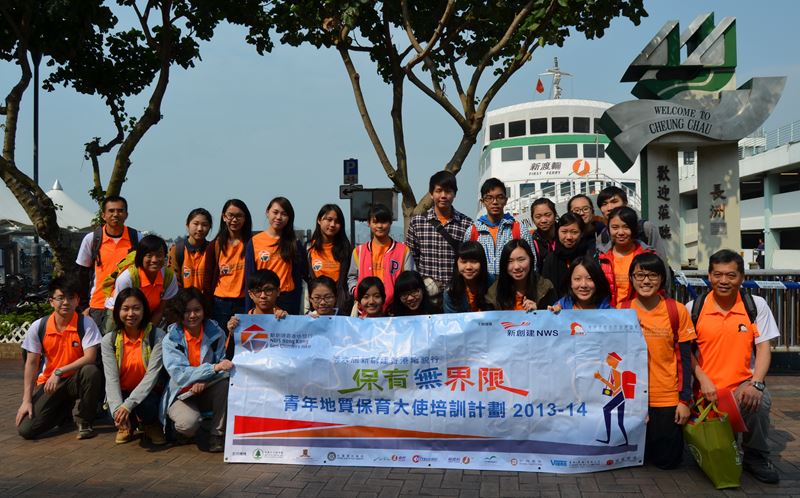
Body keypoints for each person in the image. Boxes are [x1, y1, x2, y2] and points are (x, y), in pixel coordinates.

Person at [688, 250, 780, 484]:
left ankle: (755, 456)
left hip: (741, 386)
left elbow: (763, 348)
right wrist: (703, 379)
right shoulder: (693, 308)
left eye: (731, 275)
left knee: (759, 399)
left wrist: (756, 383)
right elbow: (685, 352)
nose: (724, 281)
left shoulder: (755, 306)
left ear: (741, 277)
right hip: (705, 391)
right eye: (718, 275)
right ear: (709, 276)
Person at [621, 253, 694, 469]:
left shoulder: (676, 310)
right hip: (632, 398)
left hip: (666, 398)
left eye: (652, 275)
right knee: (635, 460)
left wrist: (684, 401)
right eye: (640, 275)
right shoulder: (622, 311)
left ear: (661, 279)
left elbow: (685, 361)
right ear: (632, 278)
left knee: (667, 462)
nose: (645, 281)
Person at [16, 276, 104, 440]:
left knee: (91, 371)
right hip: (50, 385)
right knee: (26, 430)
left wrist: (59, 371)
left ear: (77, 300)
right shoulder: (39, 327)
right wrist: (26, 400)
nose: (65, 302)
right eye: (60, 298)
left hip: (76, 378)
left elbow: (90, 357)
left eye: (71, 298)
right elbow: (32, 363)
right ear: (51, 301)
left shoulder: (86, 323)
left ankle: (84, 420)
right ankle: (63, 411)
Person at [161, 289, 233, 453]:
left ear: (204, 311)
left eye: (197, 310)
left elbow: (224, 365)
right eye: (186, 311)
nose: (192, 315)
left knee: (225, 384)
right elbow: (180, 375)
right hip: (180, 394)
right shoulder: (170, 339)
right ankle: (182, 430)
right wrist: (211, 369)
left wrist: (205, 379)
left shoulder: (217, 333)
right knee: (188, 424)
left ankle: (217, 435)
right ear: (179, 313)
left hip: (207, 388)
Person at [102, 288, 167, 445]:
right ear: (117, 311)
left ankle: (151, 424)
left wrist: (128, 406)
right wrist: (118, 410)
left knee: (146, 405)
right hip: (123, 392)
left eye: (136, 308)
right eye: (125, 308)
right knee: (112, 412)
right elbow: (111, 379)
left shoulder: (157, 336)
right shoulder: (109, 340)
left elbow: (152, 376)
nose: (131, 313)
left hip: (149, 393)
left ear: (144, 310)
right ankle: (126, 425)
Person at [75, 195, 139, 329]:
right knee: (98, 348)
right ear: (103, 215)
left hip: (127, 306)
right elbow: (81, 275)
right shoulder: (92, 239)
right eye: (111, 211)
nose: (116, 214)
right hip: (98, 305)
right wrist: (84, 307)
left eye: (120, 211)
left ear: (126, 214)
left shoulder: (136, 238)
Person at [406, 170, 473, 292]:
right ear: (431, 194)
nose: (443, 195)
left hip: (456, 293)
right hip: (426, 293)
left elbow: (470, 259)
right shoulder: (418, 222)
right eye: (438, 191)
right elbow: (412, 259)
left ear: (454, 194)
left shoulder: (466, 224)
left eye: (448, 191)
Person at [466, 178, 536, 282]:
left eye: (499, 197)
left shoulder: (518, 229)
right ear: (482, 201)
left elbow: (532, 263)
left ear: (506, 200)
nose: (494, 202)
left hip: (511, 289)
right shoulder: (473, 231)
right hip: (482, 290)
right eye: (489, 198)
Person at [245, 197, 307, 315]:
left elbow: (299, 276)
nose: (279, 217)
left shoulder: (295, 243)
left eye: (284, 214)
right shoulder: (254, 242)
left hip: (287, 299)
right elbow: (249, 276)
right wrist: (249, 308)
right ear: (267, 212)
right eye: (275, 212)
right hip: (262, 298)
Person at [347, 203, 414, 311]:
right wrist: (357, 292)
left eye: (383, 222)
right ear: (369, 223)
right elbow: (351, 277)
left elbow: (409, 280)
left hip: (394, 311)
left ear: (390, 222)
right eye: (375, 222)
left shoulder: (403, 251)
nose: (379, 226)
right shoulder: (359, 251)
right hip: (365, 311)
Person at [105, 234, 178, 328]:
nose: (154, 260)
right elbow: (123, 310)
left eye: (159, 255)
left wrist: (148, 332)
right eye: (149, 255)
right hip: (121, 314)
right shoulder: (127, 278)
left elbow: (160, 310)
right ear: (140, 257)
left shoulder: (169, 277)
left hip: (150, 314)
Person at [203, 199, 252, 338]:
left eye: (239, 216)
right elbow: (207, 279)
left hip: (244, 302)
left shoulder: (251, 244)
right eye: (230, 215)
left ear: (245, 218)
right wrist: (208, 307)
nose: (234, 219)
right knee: (221, 341)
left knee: (244, 342)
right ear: (224, 217)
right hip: (220, 303)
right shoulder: (215, 245)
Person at [598, 206, 656, 307]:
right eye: (615, 227)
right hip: (607, 316)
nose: (620, 232)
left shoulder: (648, 256)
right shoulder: (599, 257)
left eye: (626, 227)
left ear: (634, 229)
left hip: (639, 315)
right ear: (608, 229)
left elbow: (658, 289)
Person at [595, 186, 667, 263]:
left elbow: (661, 260)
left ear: (625, 203)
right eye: (604, 204)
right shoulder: (602, 236)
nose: (609, 208)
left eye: (614, 202)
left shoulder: (645, 228)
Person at [306, 204, 352, 315]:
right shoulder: (308, 249)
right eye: (329, 219)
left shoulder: (346, 250)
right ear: (319, 220)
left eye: (337, 221)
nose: (332, 225)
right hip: (317, 306)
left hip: (340, 306)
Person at [486, 239, 556, 311]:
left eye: (521, 259)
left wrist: (538, 312)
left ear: (531, 260)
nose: (516, 267)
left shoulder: (546, 288)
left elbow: (553, 319)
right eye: (510, 261)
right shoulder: (493, 294)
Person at [540, 213, 587, 297]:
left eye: (574, 232)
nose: (569, 237)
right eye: (564, 232)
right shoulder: (550, 259)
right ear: (557, 232)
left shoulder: (589, 256)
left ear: (582, 233)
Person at [169, 208, 213, 291]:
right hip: (184, 301)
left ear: (210, 227)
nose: (200, 229)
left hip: (207, 301)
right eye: (195, 224)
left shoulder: (213, 249)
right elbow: (173, 280)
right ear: (187, 225)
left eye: (204, 225)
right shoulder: (177, 250)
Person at [444, 241, 492, 313]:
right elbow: (451, 321)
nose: (468, 267)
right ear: (457, 264)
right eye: (464, 262)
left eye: (474, 261)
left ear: (482, 263)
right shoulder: (450, 292)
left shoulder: (493, 284)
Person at [529, 198, 557, 272]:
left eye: (548, 215)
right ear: (532, 219)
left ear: (555, 215)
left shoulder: (565, 237)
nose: (543, 220)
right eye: (538, 217)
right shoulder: (531, 243)